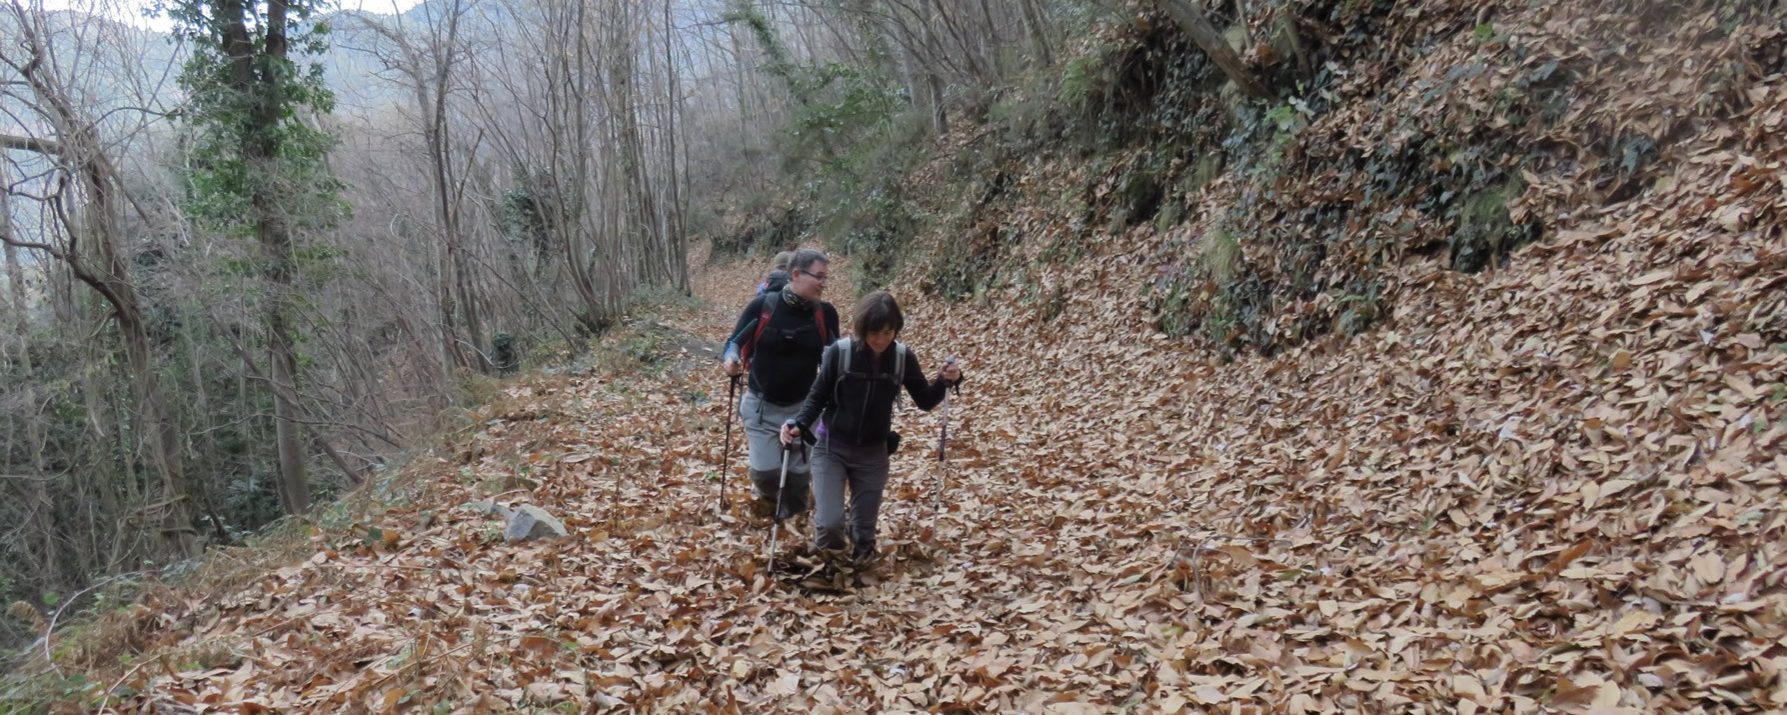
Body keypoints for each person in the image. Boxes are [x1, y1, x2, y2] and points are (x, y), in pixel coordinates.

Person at [780, 291, 963, 566]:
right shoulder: (839, 353)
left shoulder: (902, 358)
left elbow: (925, 400)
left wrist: (946, 380)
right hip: (832, 447)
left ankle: (859, 576)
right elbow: (817, 396)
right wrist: (799, 423)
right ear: (861, 329)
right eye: (874, 333)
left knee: (864, 534)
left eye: (888, 333)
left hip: (873, 452)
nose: (881, 339)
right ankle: (827, 571)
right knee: (830, 523)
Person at [722, 249, 840, 519]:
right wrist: (730, 360)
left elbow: (835, 357)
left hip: (804, 409)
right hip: (762, 406)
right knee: (765, 472)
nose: (823, 283)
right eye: (819, 277)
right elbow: (734, 342)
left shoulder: (825, 314)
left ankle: (794, 522)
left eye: (826, 278)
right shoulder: (763, 307)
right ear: (796, 274)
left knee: (800, 475)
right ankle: (775, 505)